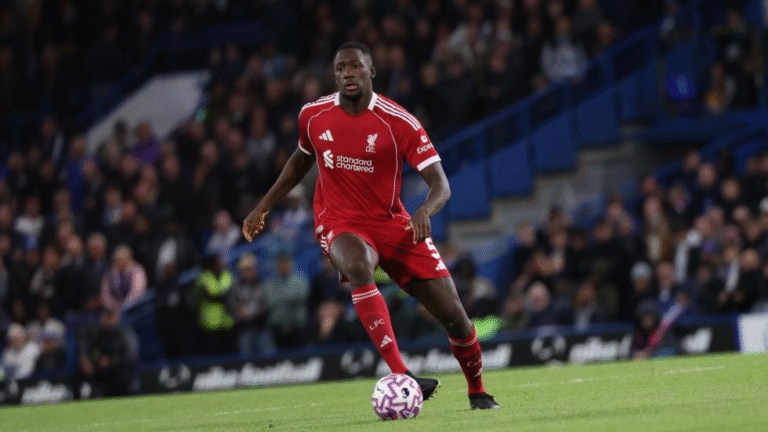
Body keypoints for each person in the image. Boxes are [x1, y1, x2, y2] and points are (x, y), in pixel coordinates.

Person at [242, 42, 499, 409]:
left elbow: (441, 184)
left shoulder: (399, 121)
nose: (348, 73)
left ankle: (477, 392)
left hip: (395, 224)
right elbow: (300, 160)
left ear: (371, 72)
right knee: (359, 266)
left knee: (456, 319)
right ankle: (402, 374)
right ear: (334, 75)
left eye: (356, 66)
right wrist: (262, 207)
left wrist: (424, 211)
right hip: (339, 220)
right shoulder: (312, 116)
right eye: (341, 68)